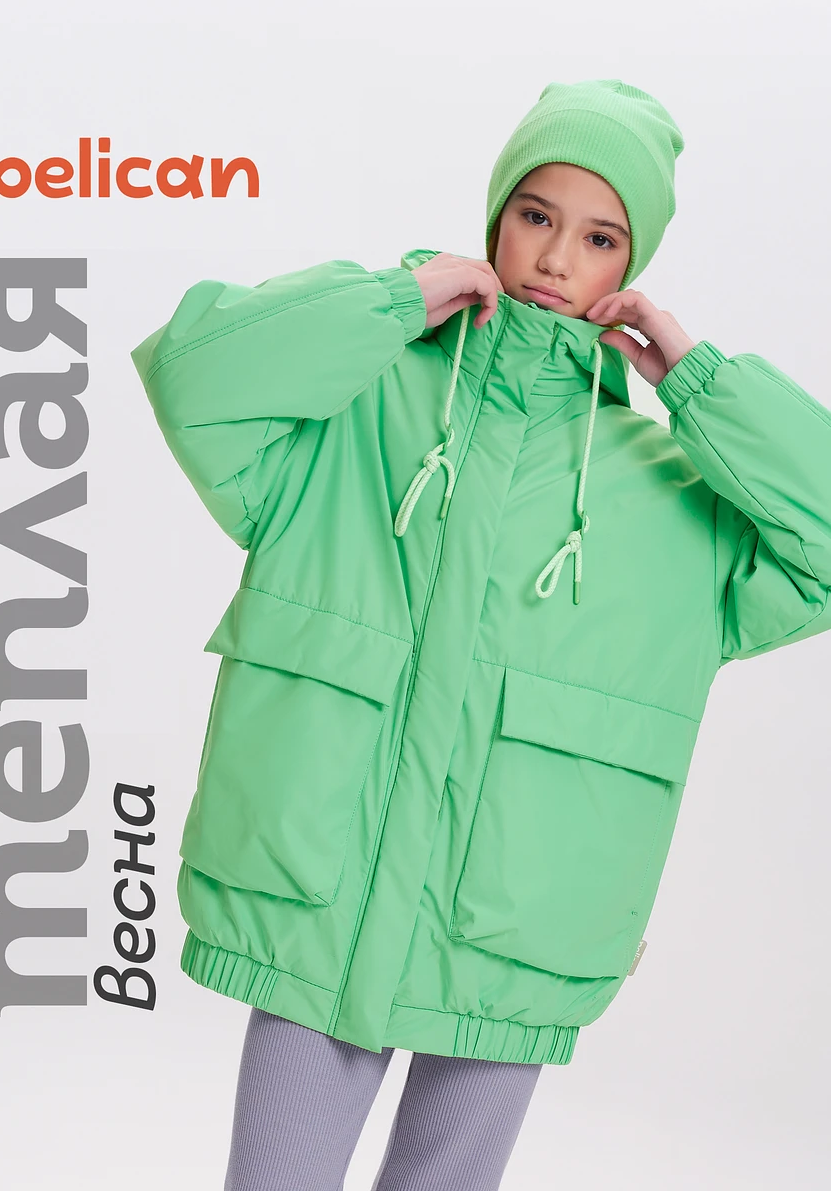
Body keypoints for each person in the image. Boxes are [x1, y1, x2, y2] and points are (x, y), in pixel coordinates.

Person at [130, 79, 831, 1189]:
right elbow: (193, 374)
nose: (555, 258)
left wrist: (699, 383)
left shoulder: (670, 499)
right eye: (536, 215)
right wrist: (390, 302)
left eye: (600, 238)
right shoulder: (355, 412)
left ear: (630, 266)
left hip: (513, 939)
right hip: (317, 912)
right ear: (497, 217)